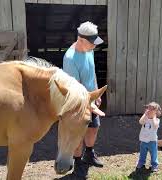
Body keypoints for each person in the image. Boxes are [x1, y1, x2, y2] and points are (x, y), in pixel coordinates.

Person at [62, 21, 104, 178]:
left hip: (91, 98)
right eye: (92, 43)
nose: (94, 46)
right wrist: (91, 102)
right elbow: (77, 88)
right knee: (78, 134)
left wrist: (97, 93)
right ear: (81, 40)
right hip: (78, 101)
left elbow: (92, 72)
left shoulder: (89, 49)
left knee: (94, 127)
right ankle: (78, 163)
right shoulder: (70, 58)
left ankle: (89, 154)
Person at [136, 102, 161, 173]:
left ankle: (154, 165)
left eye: (152, 109)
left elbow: (155, 125)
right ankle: (141, 162)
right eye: (148, 108)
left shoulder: (156, 120)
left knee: (153, 154)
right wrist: (145, 115)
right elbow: (140, 122)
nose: (149, 110)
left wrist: (153, 117)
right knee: (142, 153)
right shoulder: (145, 118)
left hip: (152, 141)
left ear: (156, 111)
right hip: (143, 140)